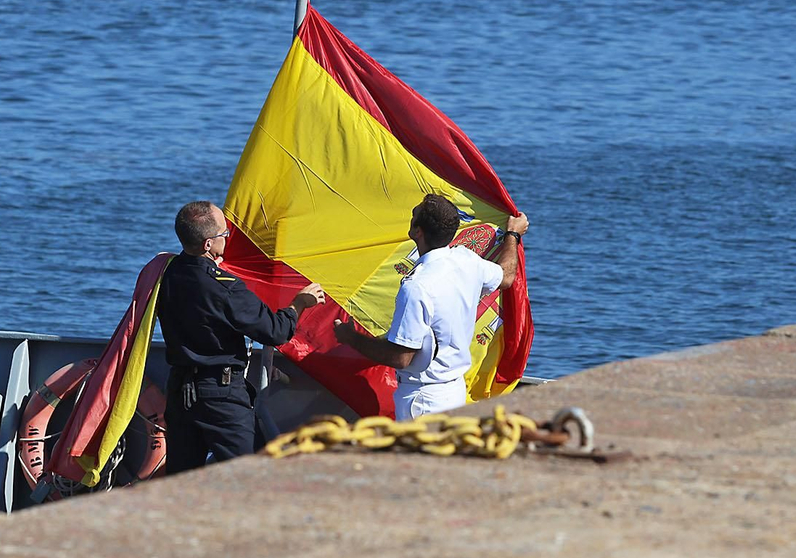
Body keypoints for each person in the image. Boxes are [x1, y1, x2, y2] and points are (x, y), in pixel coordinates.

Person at [160, 200, 324, 473]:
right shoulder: (226, 289)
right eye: (224, 235)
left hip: (180, 393)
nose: (228, 239)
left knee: (181, 478)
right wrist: (299, 304)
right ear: (208, 245)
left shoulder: (167, 273)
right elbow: (275, 331)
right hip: (220, 396)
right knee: (250, 476)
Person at [333, 194, 529, 421]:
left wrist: (351, 338)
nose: (411, 217)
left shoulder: (417, 286)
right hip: (454, 392)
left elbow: (401, 358)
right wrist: (512, 235)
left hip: (423, 402)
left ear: (418, 231)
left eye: (413, 216)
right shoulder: (467, 260)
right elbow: (506, 276)